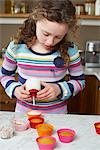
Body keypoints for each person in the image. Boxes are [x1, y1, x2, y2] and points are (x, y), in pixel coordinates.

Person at [0, 0, 85, 114]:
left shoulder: (71, 51)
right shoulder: (16, 48)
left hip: (58, 117)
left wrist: (59, 89)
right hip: (24, 116)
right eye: (46, 34)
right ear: (35, 21)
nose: (50, 42)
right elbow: (4, 75)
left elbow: (80, 81)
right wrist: (15, 90)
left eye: (58, 37)